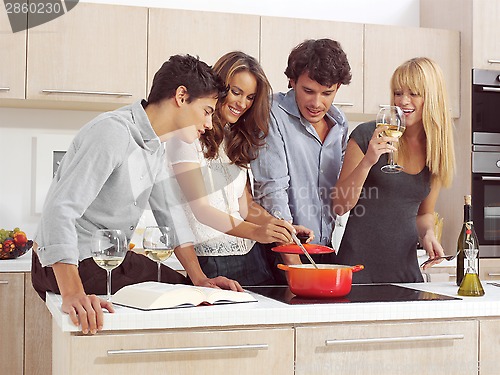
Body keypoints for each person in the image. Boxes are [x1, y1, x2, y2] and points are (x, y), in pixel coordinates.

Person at [31, 54, 238, 335]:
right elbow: (60, 209)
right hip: (71, 263)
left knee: (190, 294)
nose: (209, 124)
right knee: (180, 300)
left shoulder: (154, 145)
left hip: (106, 258)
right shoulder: (113, 133)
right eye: (206, 110)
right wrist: (72, 293)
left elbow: (171, 212)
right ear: (181, 96)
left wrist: (199, 279)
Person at [166, 51, 313, 286]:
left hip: (253, 259)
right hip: (210, 261)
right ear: (219, 87)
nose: (242, 104)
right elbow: (198, 211)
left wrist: (278, 228)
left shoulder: (234, 139)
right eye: (236, 92)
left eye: (250, 97)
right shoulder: (185, 136)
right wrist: (199, 277)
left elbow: (245, 207)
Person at [333, 57, 455, 283]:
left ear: (432, 98)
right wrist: (369, 160)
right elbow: (340, 205)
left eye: (414, 93)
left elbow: (424, 214)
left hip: (405, 274)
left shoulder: (436, 150)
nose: (403, 101)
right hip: (357, 272)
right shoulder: (367, 135)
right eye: (398, 93)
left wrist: (428, 234)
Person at [250, 39, 352, 283]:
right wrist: (295, 265)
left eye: (327, 93)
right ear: (293, 81)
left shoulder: (340, 124)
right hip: (280, 254)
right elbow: (272, 189)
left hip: (325, 252)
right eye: (308, 91)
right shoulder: (271, 112)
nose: (317, 103)